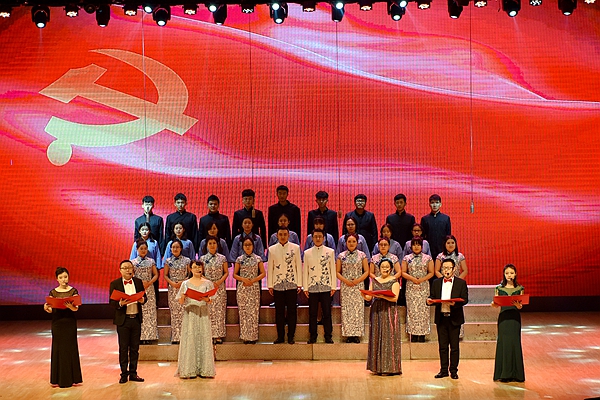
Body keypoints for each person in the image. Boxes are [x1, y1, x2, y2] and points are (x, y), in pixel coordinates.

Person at [427, 258, 469, 380]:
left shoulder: (461, 283)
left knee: (454, 347)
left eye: (449, 268)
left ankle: (454, 371)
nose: (446, 270)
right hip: (441, 318)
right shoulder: (436, 283)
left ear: (454, 269)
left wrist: (454, 304)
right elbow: (433, 297)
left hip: (454, 318)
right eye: (444, 268)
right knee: (443, 346)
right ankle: (443, 370)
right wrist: (429, 301)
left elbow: (465, 299)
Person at [175, 260, 216, 379]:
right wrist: (184, 296)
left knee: (204, 337)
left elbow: (211, 300)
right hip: (190, 313)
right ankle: (189, 370)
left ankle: (205, 370)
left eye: (199, 267)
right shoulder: (185, 283)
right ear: (190, 269)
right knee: (191, 338)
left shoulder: (207, 283)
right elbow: (181, 301)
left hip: (203, 312)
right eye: (195, 267)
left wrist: (205, 298)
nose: (198, 269)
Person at [109, 260, 147, 384]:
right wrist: (120, 303)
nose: (128, 270)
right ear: (120, 270)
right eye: (125, 268)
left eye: (130, 267)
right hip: (123, 320)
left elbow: (144, 297)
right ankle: (124, 374)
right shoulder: (115, 284)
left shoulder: (138, 282)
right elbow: (112, 302)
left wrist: (142, 300)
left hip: (136, 319)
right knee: (124, 348)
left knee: (135, 348)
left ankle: (133, 373)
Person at [44, 267, 82, 388]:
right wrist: (47, 308)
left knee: (70, 348)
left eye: (65, 277)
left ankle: (72, 378)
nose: (63, 279)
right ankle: (58, 379)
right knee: (58, 349)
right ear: (57, 279)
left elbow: (76, 309)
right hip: (57, 323)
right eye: (61, 277)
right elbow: (51, 309)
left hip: (69, 323)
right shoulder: (53, 292)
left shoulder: (73, 291)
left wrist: (71, 307)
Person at [361, 259, 402, 375]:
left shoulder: (394, 281)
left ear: (391, 269)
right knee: (376, 335)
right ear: (379, 268)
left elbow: (395, 298)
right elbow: (369, 298)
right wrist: (364, 295)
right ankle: (377, 367)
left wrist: (382, 296)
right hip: (376, 310)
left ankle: (391, 367)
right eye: (382, 266)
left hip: (389, 310)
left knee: (389, 337)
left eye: (387, 267)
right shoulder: (374, 281)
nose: (384, 269)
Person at [267, 226, 303, 344]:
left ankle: (291, 336)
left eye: (285, 234)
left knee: (292, 311)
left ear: (288, 235)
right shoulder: (272, 249)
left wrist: (299, 283)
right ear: (277, 236)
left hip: (292, 284)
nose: (282, 237)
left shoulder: (295, 248)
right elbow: (270, 268)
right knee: (279, 312)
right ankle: (280, 337)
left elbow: (298, 266)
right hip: (278, 284)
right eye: (280, 234)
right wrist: (270, 285)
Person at [491, 264, 525, 383]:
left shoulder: (520, 288)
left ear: (515, 274)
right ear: (504, 275)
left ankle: (516, 374)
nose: (509, 275)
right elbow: (495, 303)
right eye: (507, 273)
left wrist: (518, 305)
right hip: (504, 318)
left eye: (511, 273)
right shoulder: (499, 288)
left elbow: (520, 306)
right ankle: (504, 374)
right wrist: (494, 304)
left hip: (514, 319)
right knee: (504, 343)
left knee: (514, 343)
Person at [303, 228, 336, 344]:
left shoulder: (330, 252)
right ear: (312, 238)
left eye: (320, 236)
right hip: (312, 287)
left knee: (327, 312)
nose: (317, 238)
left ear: (323, 238)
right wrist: (305, 287)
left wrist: (333, 286)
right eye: (315, 236)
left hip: (326, 286)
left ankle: (328, 336)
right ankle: (313, 336)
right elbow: (305, 271)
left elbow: (332, 270)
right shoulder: (307, 253)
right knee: (312, 313)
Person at [336, 233, 369, 343]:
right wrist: (346, 281)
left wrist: (357, 281)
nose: (351, 243)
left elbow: (366, 271)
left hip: (358, 286)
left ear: (357, 243)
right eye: (349, 241)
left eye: (353, 241)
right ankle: (348, 335)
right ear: (345, 243)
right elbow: (337, 272)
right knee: (347, 310)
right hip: (346, 287)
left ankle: (356, 335)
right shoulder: (341, 256)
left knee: (357, 310)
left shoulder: (362, 255)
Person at [233, 237, 266, 344]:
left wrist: (253, 280)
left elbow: (263, 273)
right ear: (242, 247)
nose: (247, 247)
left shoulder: (258, 259)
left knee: (253, 312)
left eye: (249, 245)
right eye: (245, 245)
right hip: (242, 288)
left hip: (254, 287)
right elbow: (234, 274)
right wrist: (243, 279)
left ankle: (253, 336)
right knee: (243, 312)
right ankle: (245, 336)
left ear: (253, 246)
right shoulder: (239, 259)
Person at [402, 236, 434, 343]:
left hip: (423, 287)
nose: (416, 247)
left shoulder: (428, 258)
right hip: (411, 287)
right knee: (412, 310)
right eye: (414, 245)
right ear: (411, 246)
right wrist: (413, 279)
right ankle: (413, 334)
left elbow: (431, 272)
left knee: (423, 310)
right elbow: (403, 272)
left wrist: (421, 279)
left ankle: (422, 334)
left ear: (422, 246)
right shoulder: (407, 258)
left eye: (418, 244)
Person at [200, 236, 229, 344]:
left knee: (219, 311)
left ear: (217, 245)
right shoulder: (202, 259)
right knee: (208, 312)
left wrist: (218, 282)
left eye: (214, 243)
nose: (212, 245)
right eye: (210, 243)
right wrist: (209, 282)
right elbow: (200, 273)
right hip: (207, 288)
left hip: (219, 288)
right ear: (206, 245)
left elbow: (226, 272)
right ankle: (208, 335)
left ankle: (218, 335)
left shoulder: (222, 258)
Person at [131, 239, 159, 344]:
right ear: (137, 249)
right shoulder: (133, 262)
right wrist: (140, 283)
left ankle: (150, 337)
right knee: (139, 313)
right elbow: (131, 275)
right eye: (141, 248)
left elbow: (156, 275)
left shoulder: (151, 261)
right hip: (138, 290)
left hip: (149, 289)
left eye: (145, 249)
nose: (143, 250)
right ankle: (139, 337)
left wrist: (149, 283)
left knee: (150, 313)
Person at [163, 239, 191, 344]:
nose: (175, 249)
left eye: (177, 247)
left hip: (184, 289)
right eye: (173, 247)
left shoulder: (187, 260)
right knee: (175, 313)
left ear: (181, 248)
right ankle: (175, 337)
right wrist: (172, 283)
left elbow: (190, 274)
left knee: (185, 312)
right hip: (173, 289)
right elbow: (165, 275)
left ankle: (186, 337)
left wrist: (183, 282)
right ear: (170, 249)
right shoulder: (168, 261)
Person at [131, 222, 162, 304]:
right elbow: (133, 257)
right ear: (139, 231)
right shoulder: (136, 243)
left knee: (153, 288)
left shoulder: (154, 242)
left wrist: (157, 268)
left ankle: (155, 304)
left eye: (146, 230)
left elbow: (157, 256)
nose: (144, 232)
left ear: (150, 231)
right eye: (143, 230)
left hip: (151, 269)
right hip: (139, 270)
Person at [420, 194, 451, 267]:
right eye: (432, 203)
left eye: (437, 202)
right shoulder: (425, 219)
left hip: (442, 250)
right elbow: (422, 237)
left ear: (440, 204)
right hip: (429, 250)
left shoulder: (446, 218)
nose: (434, 205)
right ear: (429, 204)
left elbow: (448, 236)